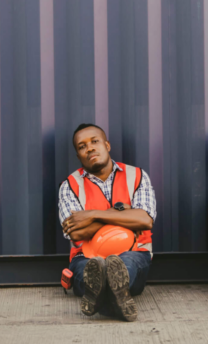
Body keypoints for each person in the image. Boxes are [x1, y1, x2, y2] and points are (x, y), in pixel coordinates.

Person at [58, 123, 156, 322]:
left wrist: (92, 215)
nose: (90, 148)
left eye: (95, 141)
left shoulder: (137, 176)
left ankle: (101, 296)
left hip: (134, 253)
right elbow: (75, 233)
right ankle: (115, 299)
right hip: (86, 256)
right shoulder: (69, 185)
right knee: (91, 270)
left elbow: (145, 220)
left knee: (124, 265)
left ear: (107, 145)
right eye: (82, 146)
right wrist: (124, 216)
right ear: (78, 155)